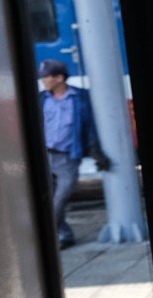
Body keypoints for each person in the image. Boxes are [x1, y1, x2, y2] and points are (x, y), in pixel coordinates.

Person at [38, 58, 110, 249]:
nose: (44, 81)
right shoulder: (42, 99)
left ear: (60, 78)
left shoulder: (80, 98)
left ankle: (47, 235)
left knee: (58, 200)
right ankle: (65, 235)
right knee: (48, 198)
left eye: (46, 77)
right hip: (45, 155)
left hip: (67, 157)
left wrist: (96, 152)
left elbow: (90, 127)